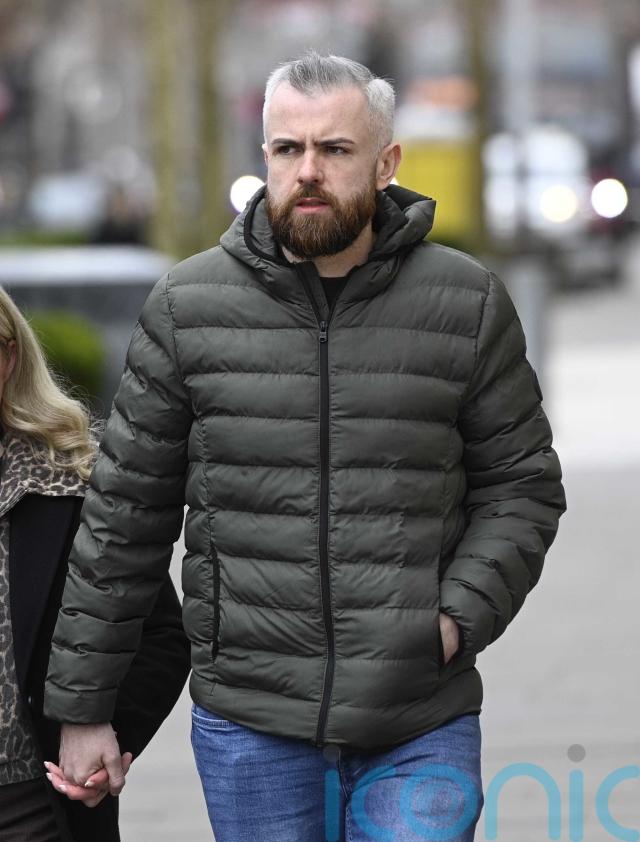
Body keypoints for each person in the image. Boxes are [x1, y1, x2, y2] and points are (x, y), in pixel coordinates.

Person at [44, 53, 566, 841]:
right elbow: (124, 518)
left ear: (386, 163)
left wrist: (454, 620)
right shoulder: (187, 308)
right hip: (251, 724)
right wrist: (85, 710)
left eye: (335, 149)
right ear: (265, 157)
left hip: (418, 715)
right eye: (289, 149)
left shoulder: (465, 303)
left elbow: (522, 487)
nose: (308, 171)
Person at [0, 287, 190, 842]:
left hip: (32, 807)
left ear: (8, 358)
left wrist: (98, 733)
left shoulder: (73, 487)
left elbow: (159, 637)